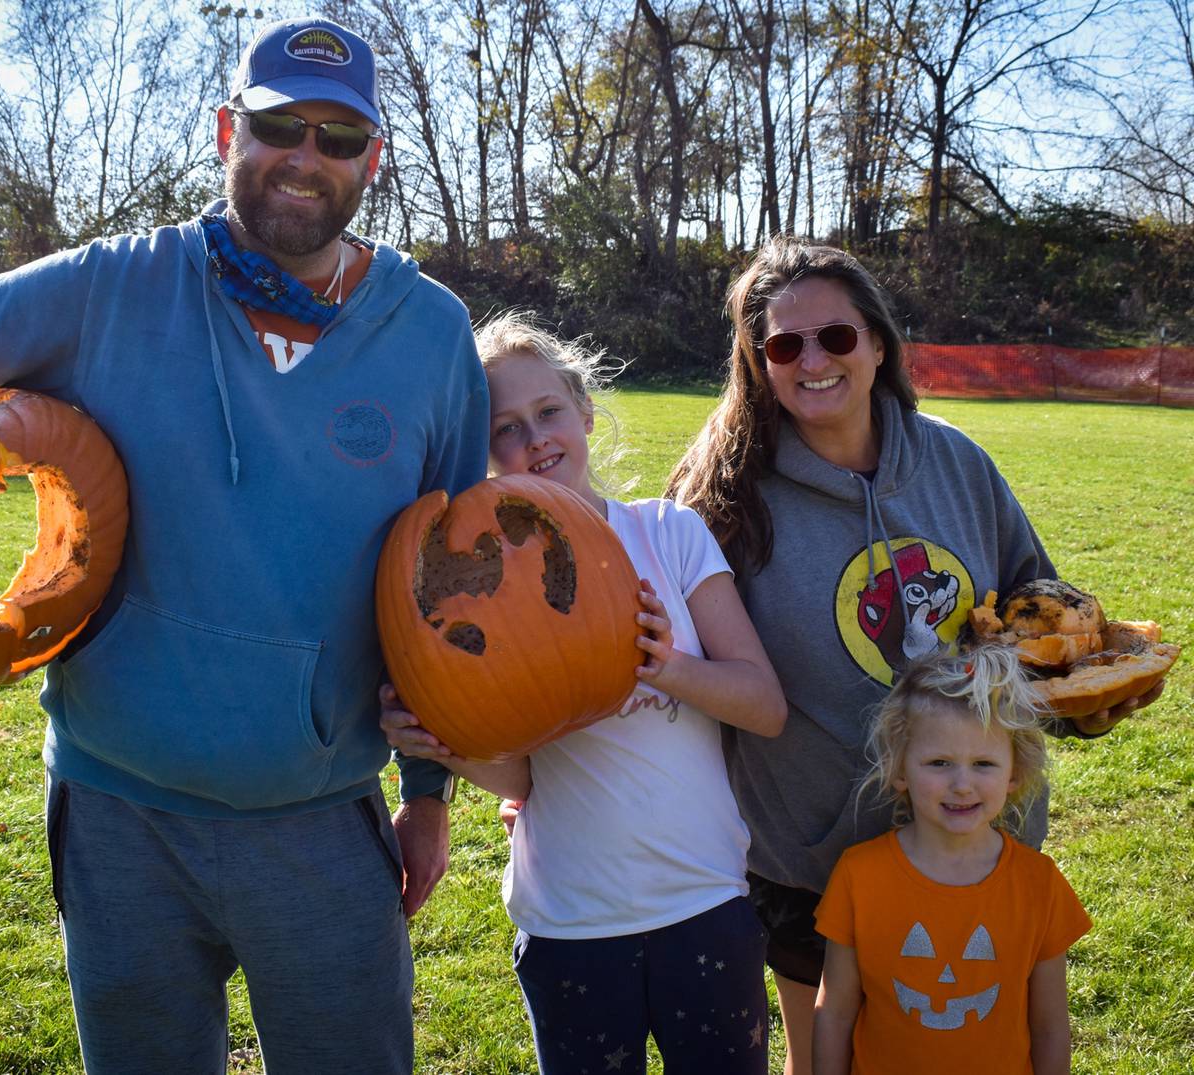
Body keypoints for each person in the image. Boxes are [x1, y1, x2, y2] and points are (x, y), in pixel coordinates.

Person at [0, 17, 487, 1074]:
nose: (308, 157)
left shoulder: (430, 336)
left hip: (323, 817)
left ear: (372, 159)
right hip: (118, 821)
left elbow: (457, 584)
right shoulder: (107, 289)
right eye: (280, 125)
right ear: (224, 131)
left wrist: (427, 799)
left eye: (340, 137)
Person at [663, 236, 1158, 1074]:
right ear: (757, 361)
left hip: (977, 843)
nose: (813, 360)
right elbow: (674, 668)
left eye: (837, 337)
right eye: (784, 344)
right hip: (811, 857)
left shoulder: (958, 463)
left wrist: (1091, 699)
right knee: (825, 1058)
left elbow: (1040, 614)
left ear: (879, 343)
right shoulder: (722, 496)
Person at [381, 311, 787, 1075]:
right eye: (503, 428)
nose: (531, 438)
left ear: (585, 411)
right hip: (570, 920)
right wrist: (446, 744)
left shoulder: (668, 534)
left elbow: (763, 704)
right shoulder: (487, 585)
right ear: (480, 449)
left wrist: (669, 665)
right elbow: (523, 777)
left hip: (704, 904)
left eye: (547, 412)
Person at [812, 644, 1091, 1074]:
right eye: (939, 762)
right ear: (900, 770)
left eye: (983, 763)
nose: (962, 785)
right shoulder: (858, 875)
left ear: (1014, 772)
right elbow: (834, 1013)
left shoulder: (1039, 884)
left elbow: (1051, 1027)